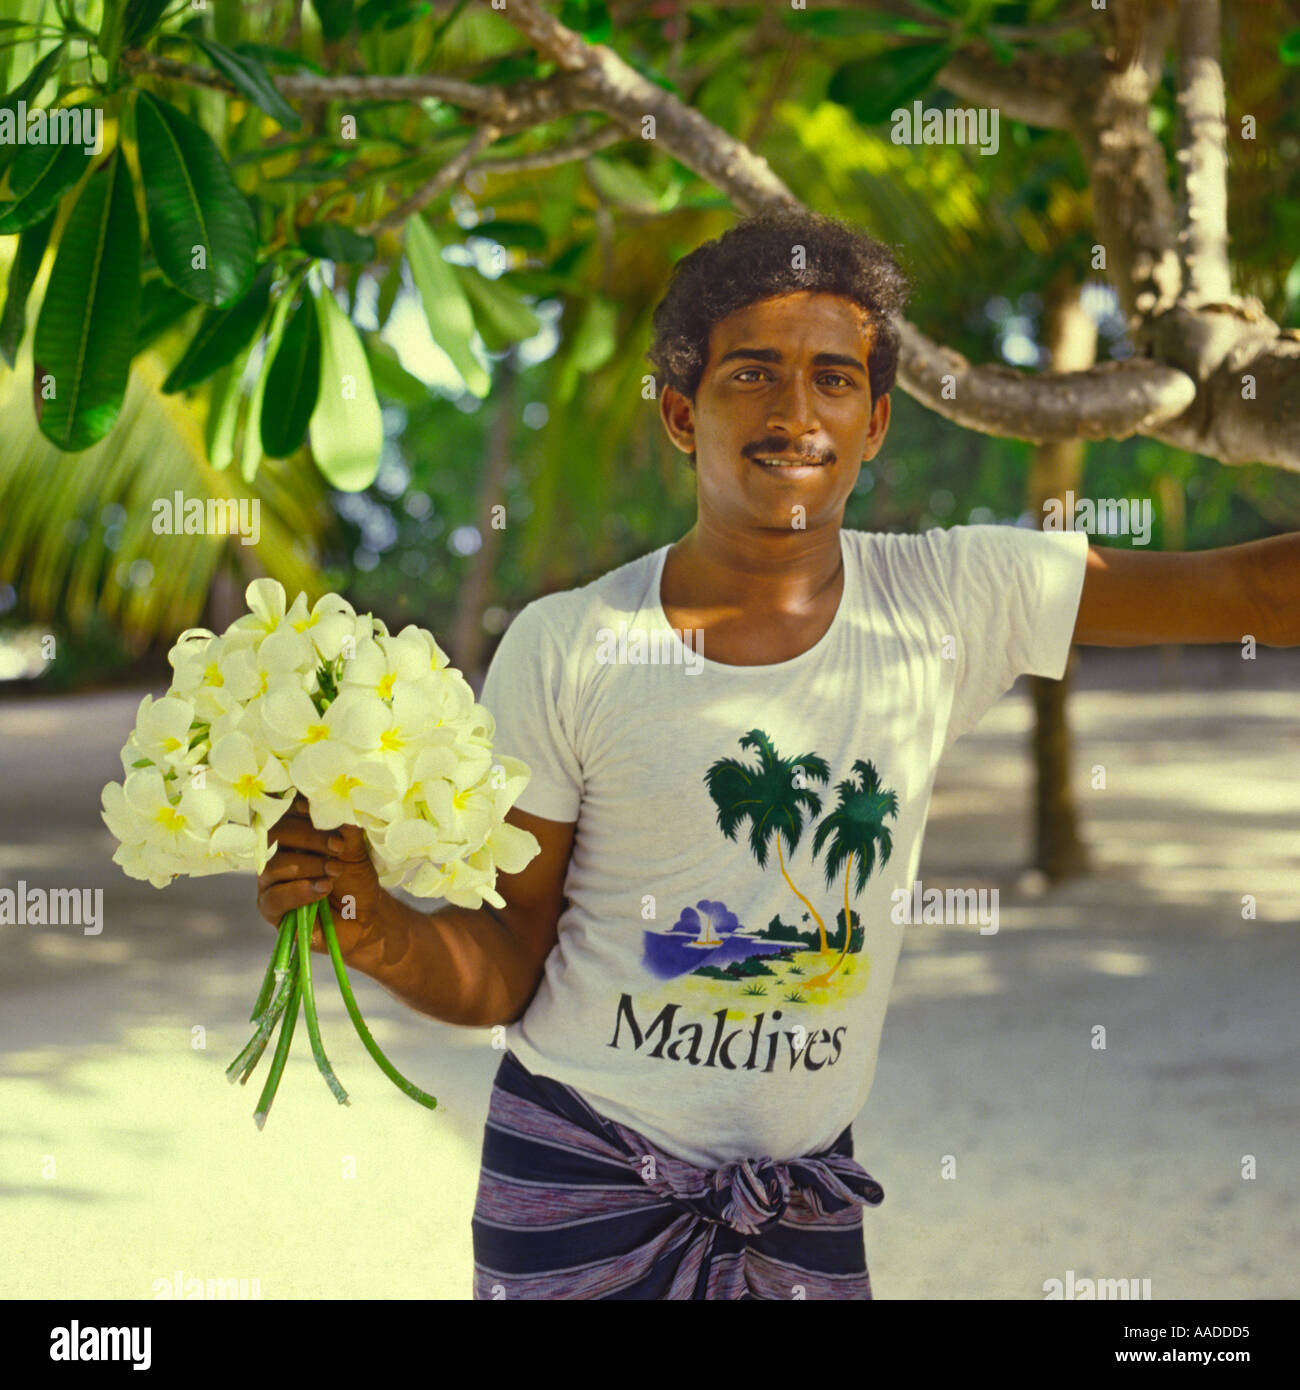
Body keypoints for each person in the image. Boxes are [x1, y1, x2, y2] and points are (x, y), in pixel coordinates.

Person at [257, 208, 1292, 1300]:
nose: (795, 412)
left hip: (800, 1199)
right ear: (678, 410)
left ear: (876, 420)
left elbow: (1255, 593)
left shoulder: (950, 596)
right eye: (751, 374)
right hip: (576, 1184)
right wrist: (373, 929)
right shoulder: (570, 645)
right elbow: (511, 960)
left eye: (832, 379)